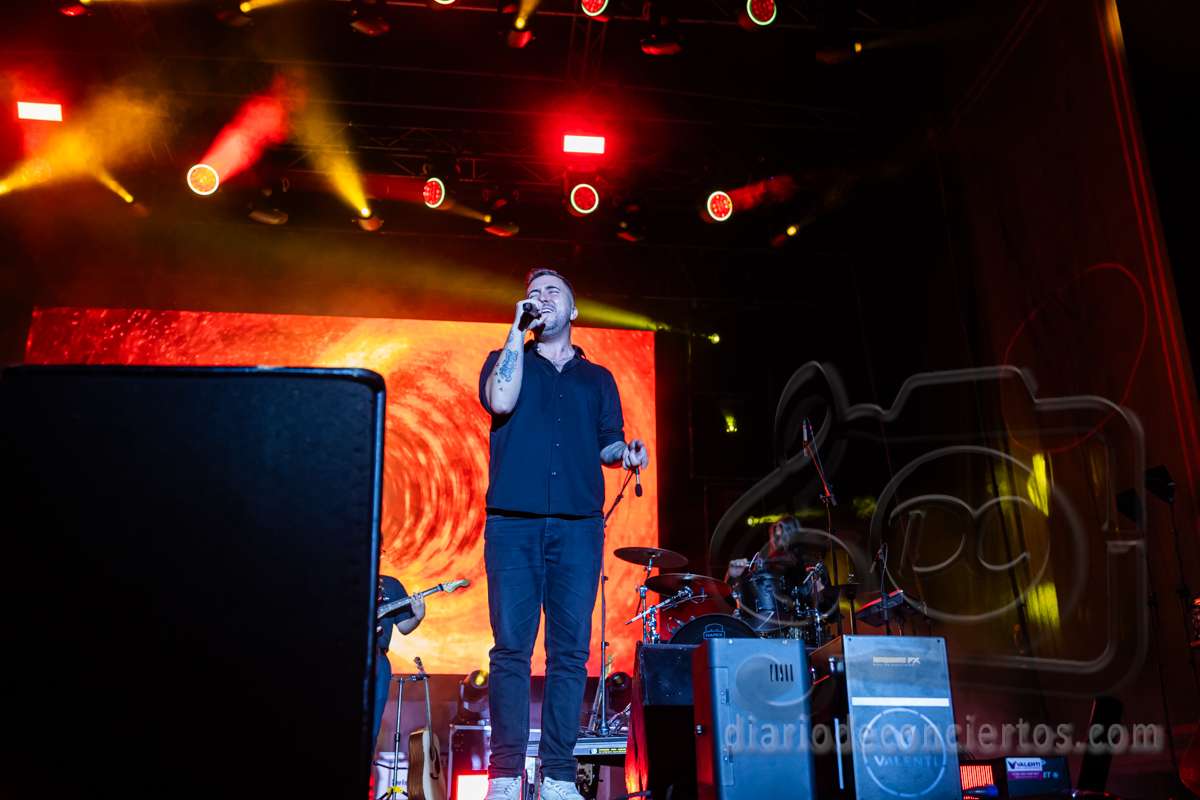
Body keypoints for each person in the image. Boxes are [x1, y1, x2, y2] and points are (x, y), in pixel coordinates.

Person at [478, 268, 648, 800]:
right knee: (511, 650)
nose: (542, 298)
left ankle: (556, 775)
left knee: (570, 654)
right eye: (534, 293)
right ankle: (505, 775)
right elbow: (500, 402)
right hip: (513, 524)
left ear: (573, 311)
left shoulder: (597, 379)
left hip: (577, 529)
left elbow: (607, 443)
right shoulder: (506, 359)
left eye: (553, 291)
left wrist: (625, 454)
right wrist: (516, 330)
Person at [373, 575, 426, 746]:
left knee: (371, 727)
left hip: (378, 659)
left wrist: (417, 617)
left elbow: (404, 627)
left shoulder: (391, 584)